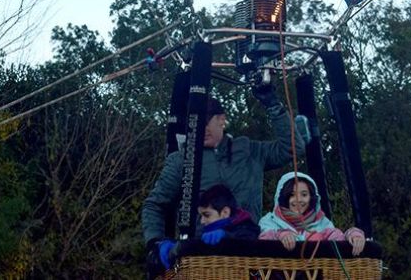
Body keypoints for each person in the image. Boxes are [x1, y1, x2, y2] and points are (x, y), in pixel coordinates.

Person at [142, 84, 304, 253]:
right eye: (195, 124)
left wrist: (274, 106)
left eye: (205, 122)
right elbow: (155, 204)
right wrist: (155, 243)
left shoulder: (249, 151)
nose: (201, 129)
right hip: (203, 254)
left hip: (248, 249)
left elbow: (292, 148)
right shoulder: (182, 160)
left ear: (221, 119)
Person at [155, 184, 261, 270]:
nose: (202, 221)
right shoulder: (206, 231)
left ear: (225, 212)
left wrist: (228, 237)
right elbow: (193, 243)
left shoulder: (248, 228)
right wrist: (169, 244)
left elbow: (248, 240)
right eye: (201, 216)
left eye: (207, 215)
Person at [259, 172, 366, 256]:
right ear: (283, 197)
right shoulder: (269, 221)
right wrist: (280, 235)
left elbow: (338, 238)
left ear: (311, 198)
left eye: (304, 194)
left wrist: (353, 235)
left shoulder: (322, 222)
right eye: (292, 195)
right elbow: (261, 241)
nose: (299, 200)